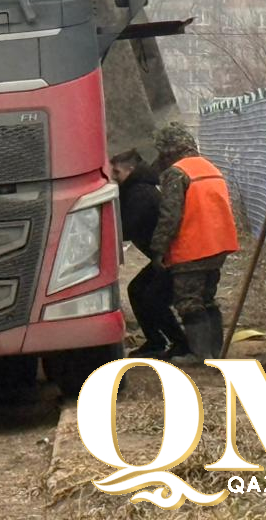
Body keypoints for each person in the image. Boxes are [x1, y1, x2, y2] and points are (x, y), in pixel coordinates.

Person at [151, 122, 240, 362]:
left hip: (192, 248)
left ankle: (199, 354)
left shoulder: (176, 173)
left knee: (189, 302)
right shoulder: (210, 168)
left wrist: (158, 249)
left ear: (167, 150)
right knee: (207, 299)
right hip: (218, 245)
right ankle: (215, 351)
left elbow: (170, 215)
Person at [110, 148, 188, 359]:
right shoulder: (136, 190)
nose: (113, 178)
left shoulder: (140, 193)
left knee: (154, 298)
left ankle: (181, 344)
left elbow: (125, 229)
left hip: (174, 258)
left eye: (116, 173)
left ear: (131, 170)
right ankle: (156, 341)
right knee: (137, 290)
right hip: (164, 257)